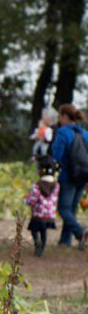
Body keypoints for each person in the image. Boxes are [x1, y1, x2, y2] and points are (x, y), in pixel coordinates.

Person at [50, 104, 88, 248]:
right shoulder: (84, 133)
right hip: (84, 175)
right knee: (71, 208)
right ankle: (65, 241)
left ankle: (80, 232)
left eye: (60, 116)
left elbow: (57, 155)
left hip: (68, 175)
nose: (59, 119)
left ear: (65, 116)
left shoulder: (62, 133)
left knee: (63, 208)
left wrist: (55, 173)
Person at [25, 158, 60, 257]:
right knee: (44, 232)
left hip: (38, 214)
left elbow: (32, 200)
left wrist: (26, 200)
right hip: (50, 215)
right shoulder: (56, 185)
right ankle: (42, 248)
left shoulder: (37, 185)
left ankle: (37, 241)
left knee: (34, 229)